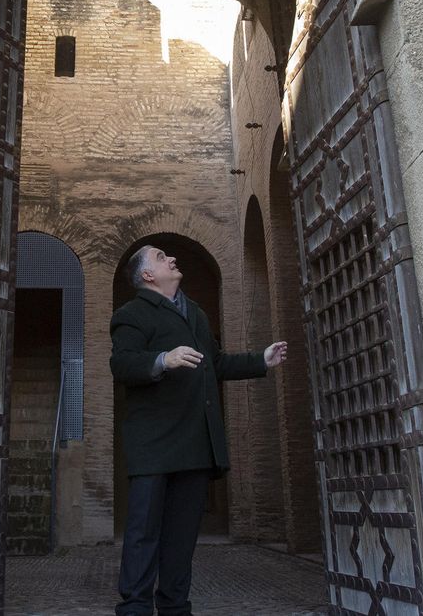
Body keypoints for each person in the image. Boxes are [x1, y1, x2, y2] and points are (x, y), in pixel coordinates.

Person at [108, 244, 288, 616]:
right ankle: (135, 608)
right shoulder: (131, 314)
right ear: (147, 275)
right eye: (161, 257)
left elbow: (214, 364)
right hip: (154, 444)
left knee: (181, 538)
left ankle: (175, 608)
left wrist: (261, 360)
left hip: (195, 442)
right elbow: (122, 364)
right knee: (143, 534)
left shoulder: (196, 313)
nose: (171, 259)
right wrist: (164, 359)